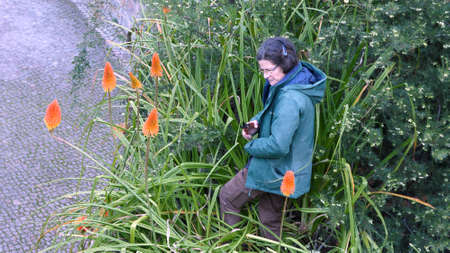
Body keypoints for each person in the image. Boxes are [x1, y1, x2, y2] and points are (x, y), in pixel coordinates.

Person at [219, 37, 327, 240]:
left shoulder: (289, 98)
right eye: (262, 71)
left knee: (228, 198)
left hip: (272, 167)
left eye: (269, 70)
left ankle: (231, 244)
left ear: (284, 64)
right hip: (287, 169)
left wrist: (251, 146)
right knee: (270, 218)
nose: (266, 76)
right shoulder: (298, 80)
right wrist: (257, 121)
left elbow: (278, 145)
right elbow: (275, 113)